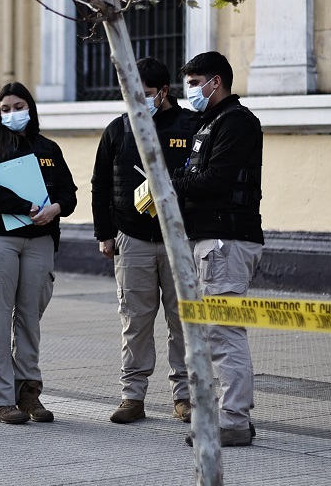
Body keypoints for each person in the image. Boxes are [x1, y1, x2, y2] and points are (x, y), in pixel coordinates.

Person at [90, 57, 197, 425]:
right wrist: (104, 233)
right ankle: (132, 397)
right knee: (135, 321)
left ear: (163, 92)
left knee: (183, 321)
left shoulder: (190, 126)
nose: (137, 101)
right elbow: (100, 183)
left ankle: (184, 396)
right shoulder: (118, 130)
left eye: (145, 94)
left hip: (178, 241)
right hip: (131, 238)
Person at [0, 82, 78, 424]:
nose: (12, 113)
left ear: (31, 107)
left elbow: (69, 194)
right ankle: (0, 400)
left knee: (30, 319)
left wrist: (55, 208)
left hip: (40, 240)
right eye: (5, 108)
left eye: (18, 106)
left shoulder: (48, 148)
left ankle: (28, 393)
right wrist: (25, 205)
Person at [172, 51, 264, 448]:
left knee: (224, 334)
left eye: (195, 83)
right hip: (209, 240)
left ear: (216, 82)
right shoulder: (209, 123)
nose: (190, 90)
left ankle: (234, 422)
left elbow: (214, 180)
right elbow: (196, 176)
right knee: (213, 333)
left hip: (226, 241)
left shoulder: (237, 122)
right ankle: (228, 415)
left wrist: (170, 180)